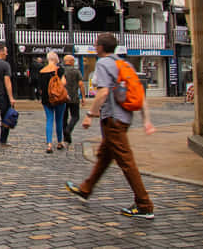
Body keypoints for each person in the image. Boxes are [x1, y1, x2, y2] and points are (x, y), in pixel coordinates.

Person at [66, 33, 156, 219]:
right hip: (124, 118)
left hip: (113, 120)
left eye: (96, 44)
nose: (94, 45)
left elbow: (103, 92)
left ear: (100, 47)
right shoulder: (125, 64)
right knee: (104, 156)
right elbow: (140, 94)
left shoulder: (103, 64)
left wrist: (90, 115)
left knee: (126, 161)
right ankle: (86, 188)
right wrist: (146, 119)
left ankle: (144, 204)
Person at [39, 51, 66, 153]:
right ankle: (59, 142)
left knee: (49, 120)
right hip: (58, 98)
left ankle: (49, 143)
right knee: (59, 120)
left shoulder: (42, 71)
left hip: (46, 99)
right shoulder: (59, 70)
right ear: (56, 59)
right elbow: (63, 83)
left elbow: (40, 88)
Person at [62, 55, 85, 149]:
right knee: (75, 116)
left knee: (64, 118)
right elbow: (81, 84)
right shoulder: (76, 71)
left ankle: (66, 138)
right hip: (74, 97)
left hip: (62, 98)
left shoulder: (61, 70)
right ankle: (68, 130)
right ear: (71, 61)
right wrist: (83, 97)